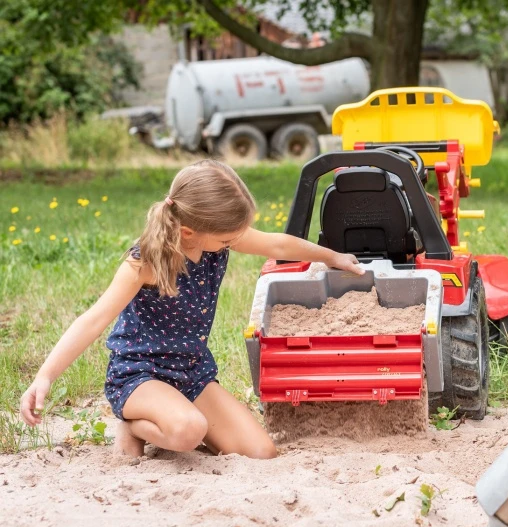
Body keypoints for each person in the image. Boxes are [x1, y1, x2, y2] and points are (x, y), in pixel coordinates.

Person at [18, 159, 363, 459]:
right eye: (228, 240)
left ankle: (176, 418)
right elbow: (93, 320)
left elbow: (275, 242)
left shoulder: (213, 237)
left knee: (262, 451)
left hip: (190, 370)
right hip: (140, 374)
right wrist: (44, 377)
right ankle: (133, 425)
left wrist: (332, 256)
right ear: (188, 231)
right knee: (188, 431)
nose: (234, 243)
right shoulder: (146, 263)